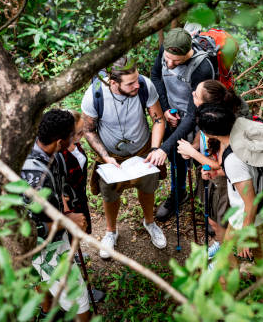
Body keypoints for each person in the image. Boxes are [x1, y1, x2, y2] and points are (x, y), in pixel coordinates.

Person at [20, 109, 97, 322]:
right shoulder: (35, 178)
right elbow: (30, 228)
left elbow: (61, 182)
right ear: (60, 140)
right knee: (79, 296)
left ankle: (48, 310)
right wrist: (68, 221)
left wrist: (64, 201)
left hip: (54, 225)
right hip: (42, 242)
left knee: (42, 277)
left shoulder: (50, 151)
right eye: (75, 135)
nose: (78, 138)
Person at [82, 56, 167, 258]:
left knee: (147, 188)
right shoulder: (94, 95)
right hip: (110, 155)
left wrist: (155, 149)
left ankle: (150, 222)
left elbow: (158, 119)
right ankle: (111, 232)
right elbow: (88, 130)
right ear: (113, 83)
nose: (137, 85)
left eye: (137, 79)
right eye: (130, 83)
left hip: (143, 149)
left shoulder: (144, 85)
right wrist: (104, 156)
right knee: (110, 194)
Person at [196, 104, 263, 268]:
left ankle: (230, 286)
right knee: (254, 252)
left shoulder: (233, 158)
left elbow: (250, 202)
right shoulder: (240, 132)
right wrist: (218, 173)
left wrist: (245, 236)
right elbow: (246, 172)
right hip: (255, 210)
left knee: (239, 256)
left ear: (209, 134)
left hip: (247, 216)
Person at [176, 80, 248, 259]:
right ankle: (219, 243)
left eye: (196, 95)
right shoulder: (210, 118)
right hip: (209, 172)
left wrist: (192, 153)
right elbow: (203, 133)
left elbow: (224, 164)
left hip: (226, 182)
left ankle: (226, 255)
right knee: (212, 219)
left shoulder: (228, 129)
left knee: (222, 221)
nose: (192, 94)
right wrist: (194, 147)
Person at [151, 27, 217, 221]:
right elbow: (156, 76)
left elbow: (192, 115)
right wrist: (164, 109)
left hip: (197, 119)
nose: (169, 64)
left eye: (176, 61)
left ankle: (209, 203)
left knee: (201, 160)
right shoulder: (166, 49)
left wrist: (163, 148)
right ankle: (178, 195)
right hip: (173, 113)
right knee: (176, 158)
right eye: (167, 59)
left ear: (187, 52)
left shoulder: (202, 68)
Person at [60, 110, 105, 302]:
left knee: (77, 237)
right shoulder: (57, 156)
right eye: (78, 133)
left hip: (79, 199)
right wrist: (67, 212)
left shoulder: (75, 146)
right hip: (66, 209)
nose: (82, 136)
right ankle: (81, 290)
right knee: (66, 246)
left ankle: (75, 252)